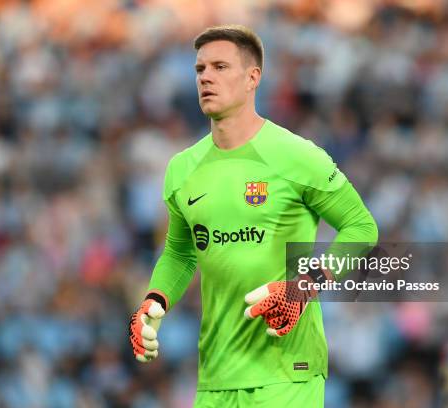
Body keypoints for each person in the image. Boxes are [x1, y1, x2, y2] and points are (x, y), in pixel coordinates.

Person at [129, 24, 378, 407]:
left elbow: (361, 228)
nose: (206, 77)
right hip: (216, 376)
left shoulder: (297, 155)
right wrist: (154, 299)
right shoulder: (182, 169)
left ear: (252, 78)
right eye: (200, 69)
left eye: (220, 66)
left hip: (287, 373)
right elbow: (179, 254)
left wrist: (303, 286)